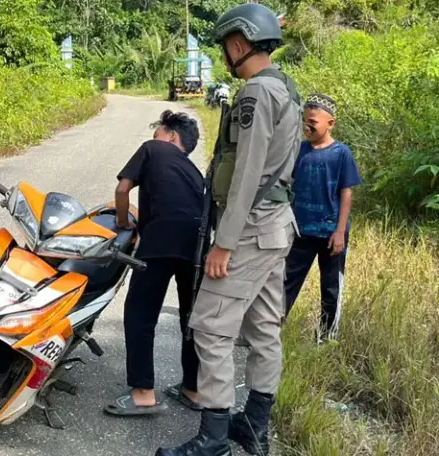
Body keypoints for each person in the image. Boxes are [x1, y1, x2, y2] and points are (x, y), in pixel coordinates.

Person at [156, 4, 302, 456]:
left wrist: (225, 243)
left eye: (225, 47)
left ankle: (214, 438)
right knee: (263, 329)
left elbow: (247, 174)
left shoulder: (257, 93)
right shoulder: (286, 88)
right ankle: (255, 425)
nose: (224, 56)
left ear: (239, 43)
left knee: (211, 329)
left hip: (251, 229)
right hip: (277, 228)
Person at [103, 110, 205, 417]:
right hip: (197, 248)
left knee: (140, 313)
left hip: (159, 240)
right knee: (191, 319)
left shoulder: (152, 148)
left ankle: (143, 394)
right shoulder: (196, 173)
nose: (154, 137)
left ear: (171, 136)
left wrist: (123, 222)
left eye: (158, 132)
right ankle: (193, 388)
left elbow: (122, 189)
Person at [283, 94, 361, 343]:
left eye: (313, 121)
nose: (307, 126)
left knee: (330, 287)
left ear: (331, 123)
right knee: (285, 281)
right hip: (300, 231)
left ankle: (327, 337)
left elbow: (346, 193)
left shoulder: (341, 154)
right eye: (305, 120)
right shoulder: (299, 150)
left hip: (331, 234)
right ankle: (269, 328)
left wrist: (340, 231)